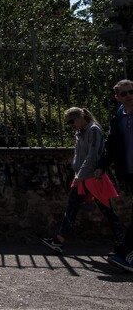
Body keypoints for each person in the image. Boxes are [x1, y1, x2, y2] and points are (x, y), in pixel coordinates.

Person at [41, 107, 123, 254]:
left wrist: (80, 174)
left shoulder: (93, 130)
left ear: (80, 117)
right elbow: (80, 154)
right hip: (83, 176)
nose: (71, 125)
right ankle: (59, 240)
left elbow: (92, 155)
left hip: (92, 177)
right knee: (72, 206)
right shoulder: (81, 132)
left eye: (71, 121)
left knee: (107, 210)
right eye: (68, 123)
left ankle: (123, 243)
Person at [95, 79, 133, 271]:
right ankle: (124, 252)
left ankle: (125, 252)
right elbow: (111, 146)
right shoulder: (118, 118)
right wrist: (101, 166)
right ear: (117, 98)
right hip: (129, 171)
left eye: (131, 91)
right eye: (124, 93)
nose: (129, 96)